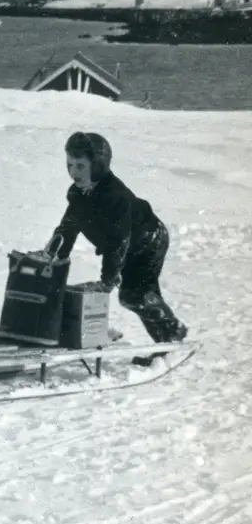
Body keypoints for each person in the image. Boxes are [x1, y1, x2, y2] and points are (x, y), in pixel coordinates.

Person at [43, 131, 188, 364]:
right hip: (128, 245)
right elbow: (68, 228)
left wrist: (108, 278)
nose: (73, 172)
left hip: (149, 241)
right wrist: (50, 257)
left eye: (81, 166)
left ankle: (171, 334)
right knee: (135, 295)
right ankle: (168, 340)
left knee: (135, 294)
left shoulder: (114, 196)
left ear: (98, 164)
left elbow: (117, 242)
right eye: (70, 165)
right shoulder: (78, 193)